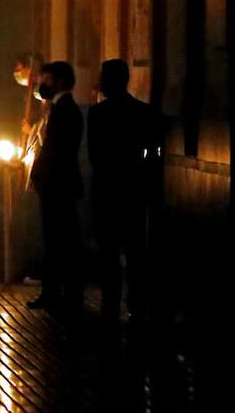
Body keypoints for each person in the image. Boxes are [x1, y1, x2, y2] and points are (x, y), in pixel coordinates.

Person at [88, 59, 162, 325]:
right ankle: (136, 304)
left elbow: (95, 155)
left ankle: (110, 304)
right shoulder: (144, 112)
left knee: (108, 250)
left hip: (107, 190)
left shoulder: (97, 114)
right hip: (134, 189)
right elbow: (153, 151)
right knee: (135, 250)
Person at [27, 60, 84, 314]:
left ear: (59, 81)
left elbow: (55, 149)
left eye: (46, 80)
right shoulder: (59, 108)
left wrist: (40, 173)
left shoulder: (64, 110)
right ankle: (60, 291)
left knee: (58, 238)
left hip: (57, 182)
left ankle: (60, 293)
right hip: (58, 181)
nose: (42, 84)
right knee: (59, 237)